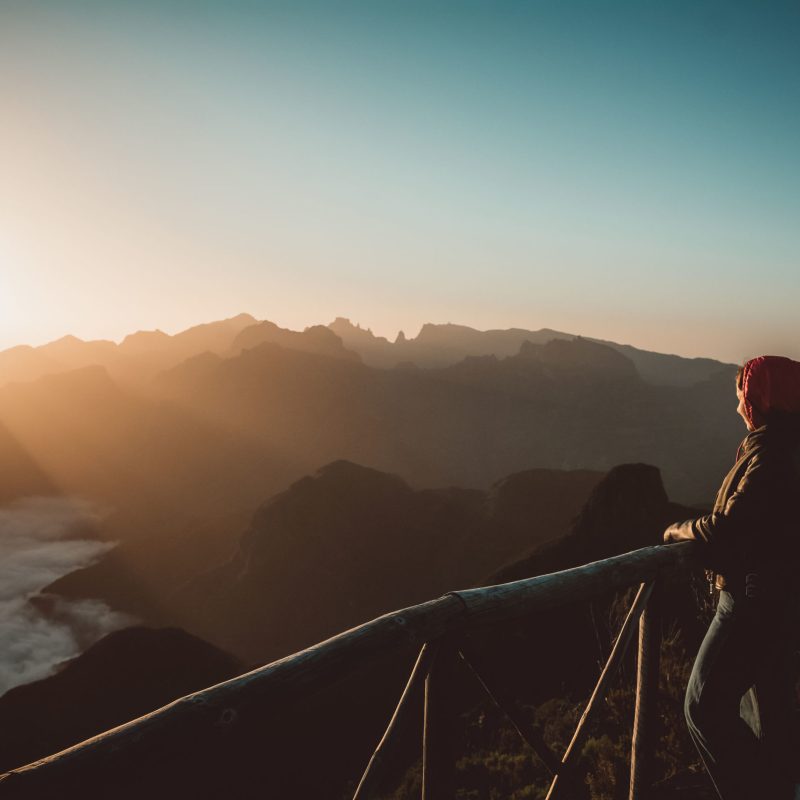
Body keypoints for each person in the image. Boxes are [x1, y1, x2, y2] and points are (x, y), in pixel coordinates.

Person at [663, 355, 800, 800]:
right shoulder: (782, 446)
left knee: (703, 707)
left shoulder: (771, 455)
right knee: (770, 715)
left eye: (743, 395)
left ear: (757, 401)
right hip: (780, 601)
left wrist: (676, 529)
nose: (738, 404)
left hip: (751, 601)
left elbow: (725, 532)